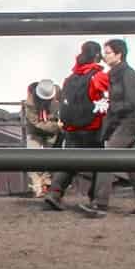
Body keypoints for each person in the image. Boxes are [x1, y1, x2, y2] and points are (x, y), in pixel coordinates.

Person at [82, 37, 135, 218]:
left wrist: (112, 107)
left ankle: (100, 204)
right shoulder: (117, 73)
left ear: (119, 54)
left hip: (128, 123)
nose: (104, 56)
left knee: (107, 159)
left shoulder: (127, 74)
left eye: (108, 53)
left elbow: (131, 101)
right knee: (133, 166)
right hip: (125, 124)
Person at [41, 42, 109, 211]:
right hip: (92, 126)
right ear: (97, 56)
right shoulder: (98, 76)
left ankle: (55, 192)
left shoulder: (70, 78)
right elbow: (108, 97)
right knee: (99, 164)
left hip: (71, 128)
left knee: (70, 162)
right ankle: (96, 199)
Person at [21, 78, 62, 197]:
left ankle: (46, 183)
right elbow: (36, 123)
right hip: (36, 131)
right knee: (32, 157)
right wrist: (56, 126)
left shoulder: (59, 94)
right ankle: (37, 185)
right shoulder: (29, 103)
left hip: (52, 131)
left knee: (51, 157)